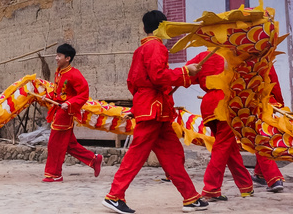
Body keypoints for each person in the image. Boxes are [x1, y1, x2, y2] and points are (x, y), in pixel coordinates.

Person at [103, 11, 206, 214]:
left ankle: (190, 198)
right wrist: (186, 72)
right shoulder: (155, 47)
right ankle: (114, 196)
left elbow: (133, 82)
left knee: (173, 156)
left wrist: (138, 107)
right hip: (154, 111)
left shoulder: (141, 49)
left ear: (145, 28)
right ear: (162, 27)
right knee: (137, 155)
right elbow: (158, 77)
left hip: (156, 110)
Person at [186, 51, 254, 202]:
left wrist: (204, 77)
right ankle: (211, 188)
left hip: (209, 103)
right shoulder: (234, 54)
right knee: (222, 147)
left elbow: (188, 73)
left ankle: (246, 186)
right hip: (225, 103)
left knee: (229, 147)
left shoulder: (203, 55)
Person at [41, 43, 102, 182]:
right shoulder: (59, 72)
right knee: (69, 145)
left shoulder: (74, 74)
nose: (56, 58)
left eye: (59, 56)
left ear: (67, 58)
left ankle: (54, 174)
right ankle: (94, 159)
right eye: (56, 55)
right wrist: (49, 97)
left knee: (55, 144)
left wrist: (69, 103)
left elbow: (83, 94)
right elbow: (57, 92)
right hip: (58, 110)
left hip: (65, 114)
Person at [251, 67, 285, 192]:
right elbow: (275, 84)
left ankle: (274, 179)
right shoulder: (267, 59)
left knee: (260, 141)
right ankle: (259, 174)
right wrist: (280, 103)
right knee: (262, 138)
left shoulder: (242, 59)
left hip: (255, 106)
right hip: (269, 105)